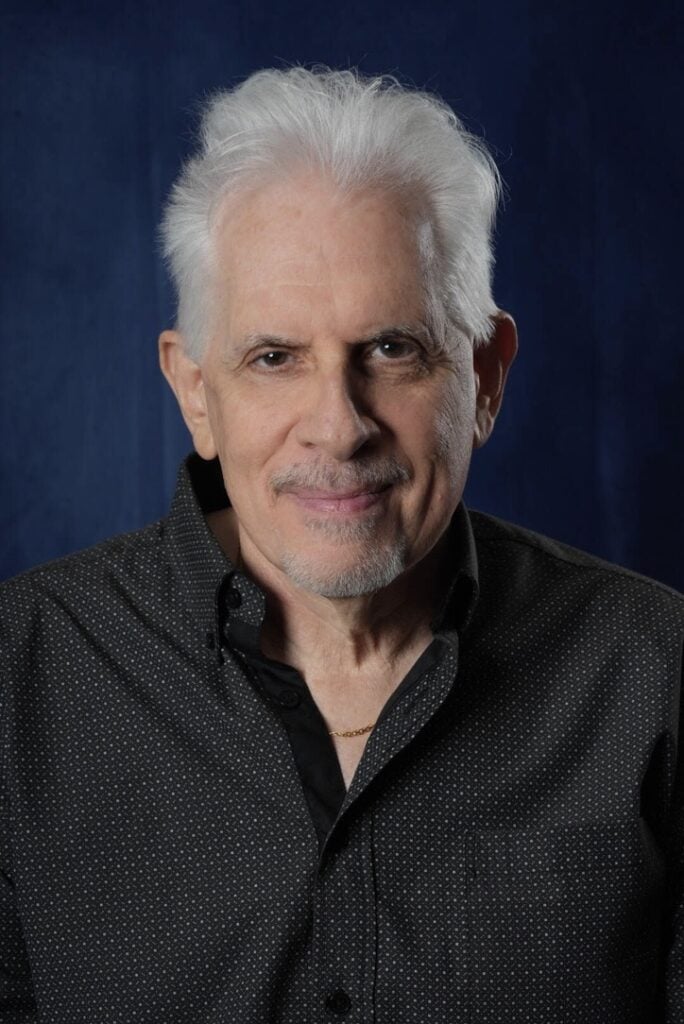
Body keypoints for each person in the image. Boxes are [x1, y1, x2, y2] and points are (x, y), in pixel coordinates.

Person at [0, 66, 681, 1024]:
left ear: (485, 377)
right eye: (274, 358)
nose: (338, 426)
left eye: (392, 350)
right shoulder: (19, 679)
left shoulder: (658, 677)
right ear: (195, 391)